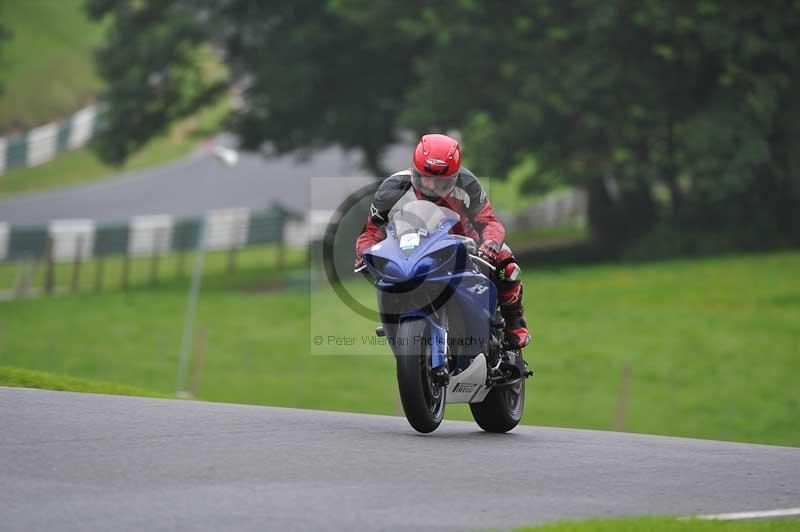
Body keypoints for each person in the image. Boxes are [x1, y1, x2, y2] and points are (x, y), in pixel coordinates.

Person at [354, 133, 531, 348]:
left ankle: (514, 321)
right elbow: (371, 232)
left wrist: (490, 245)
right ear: (414, 170)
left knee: (506, 260)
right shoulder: (391, 189)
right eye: (424, 177)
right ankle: (400, 327)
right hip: (413, 250)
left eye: (442, 181)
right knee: (388, 280)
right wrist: (365, 254)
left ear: (455, 176)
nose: (432, 185)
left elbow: (489, 222)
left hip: (465, 245)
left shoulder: (469, 184)